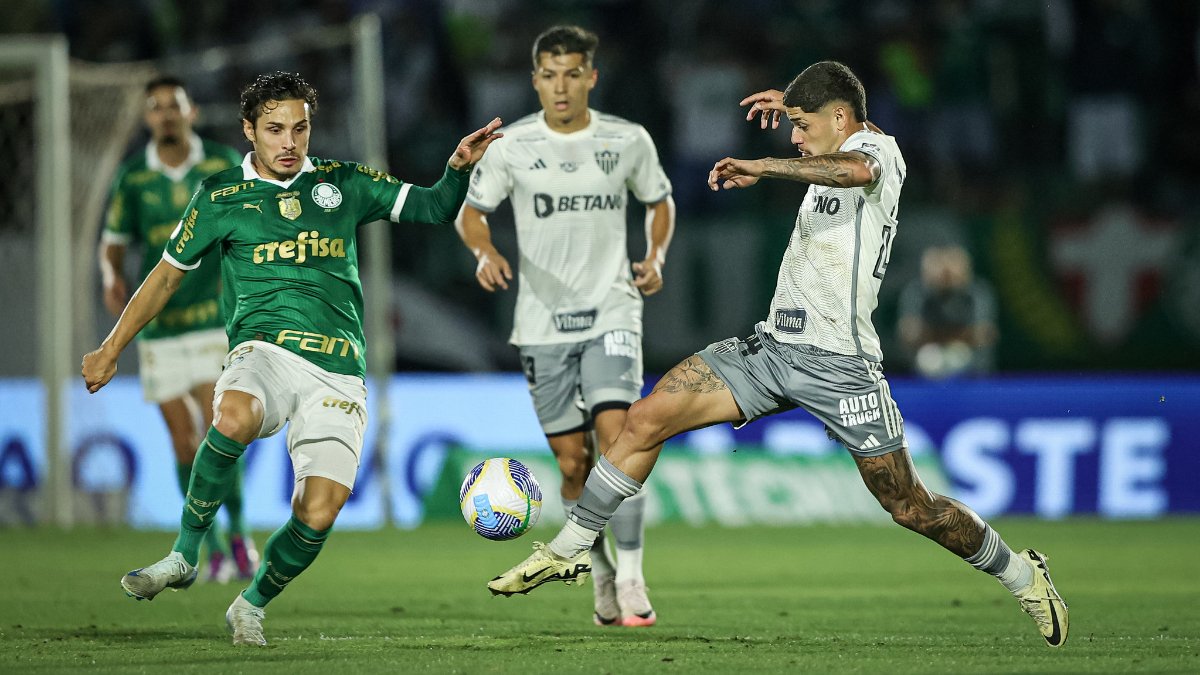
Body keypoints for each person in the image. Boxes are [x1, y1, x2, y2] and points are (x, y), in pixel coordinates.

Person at [488, 61, 1069, 648]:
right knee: (645, 418)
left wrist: (766, 165)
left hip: (841, 365)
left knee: (909, 506)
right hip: (770, 350)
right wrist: (795, 100)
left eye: (800, 124)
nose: (792, 136)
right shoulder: (831, 139)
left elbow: (852, 167)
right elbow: (828, 114)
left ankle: (1024, 576)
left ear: (839, 118)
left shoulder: (879, 151)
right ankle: (570, 548)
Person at [83, 71, 502, 647]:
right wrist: (111, 348)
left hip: (338, 370)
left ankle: (250, 603)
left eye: (299, 129)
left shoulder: (344, 183)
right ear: (248, 130)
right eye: (275, 129)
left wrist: (457, 168)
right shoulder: (221, 196)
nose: (289, 142)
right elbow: (163, 278)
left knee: (319, 511)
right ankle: (184, 553)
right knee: (231, 414)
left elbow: (431, 209)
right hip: (264, 352)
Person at [457, 25, 674, 627]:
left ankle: (631, 577)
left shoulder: (626, 139)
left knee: (621, 437)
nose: (561, 86)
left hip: (612, 308)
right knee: (573, 464)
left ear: (590, 77)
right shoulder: (511, 146)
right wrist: (483, 252)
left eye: (572, 73)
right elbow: (472, 214)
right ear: (535, 80)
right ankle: (600, 570)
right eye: (549, 75)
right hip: (541, 322)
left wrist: (654, 258)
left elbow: (660, 200)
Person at [100, 75, 257, 583]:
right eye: (156, 107)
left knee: (217, 435)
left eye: (174, 105)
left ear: (190, 113)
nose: (165, 114)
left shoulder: (219, 165)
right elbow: (114, 241)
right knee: (183, 445)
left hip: (212, 321)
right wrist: (111, 277)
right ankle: (207, 549)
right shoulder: (133, 178)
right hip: (160, 330)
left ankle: (239, 535)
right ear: (147, 118)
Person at [896, 243, 997, 378]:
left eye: (954, 265)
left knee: (957, 355)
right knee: (930, 359)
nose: (946, 272)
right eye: (938, 266)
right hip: (927, 364)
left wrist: (935, 335)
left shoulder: (977, 292)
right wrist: (959, 335)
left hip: (971, 367)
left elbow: (984, 334)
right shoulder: (916, 292)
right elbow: (909, 333)